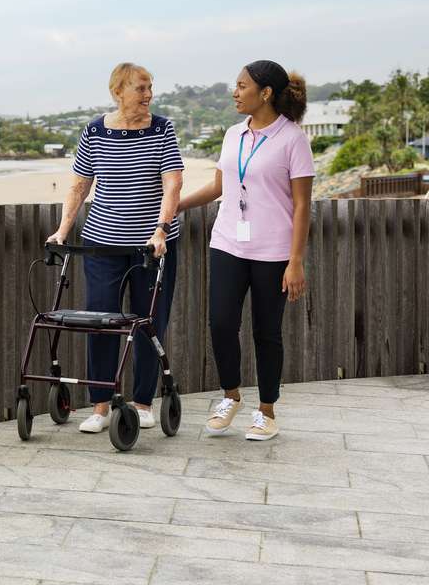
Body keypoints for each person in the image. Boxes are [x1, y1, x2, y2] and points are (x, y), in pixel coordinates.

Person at [178, 60, 314, 441]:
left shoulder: (292, 139)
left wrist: (296, 261)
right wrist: (178, 205)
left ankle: (266, 410)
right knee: (221, 323)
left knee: (266, 332)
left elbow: (303, 204)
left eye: (241, 86)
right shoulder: (233, 134)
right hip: (227, 243)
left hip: (273, 251)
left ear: (265, 92)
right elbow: (219, 187)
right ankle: (230, 396)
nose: (234, 93)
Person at [47, 62, 184, 433]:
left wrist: (161, 229)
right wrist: (63, 230)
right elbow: (79, 185)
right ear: (117, 91)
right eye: (141, 88)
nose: (148, 95)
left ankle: (142, 403)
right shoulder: (94, 130)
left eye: (150, 87)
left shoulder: (161, 128)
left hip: (151, 247)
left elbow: (172, 183)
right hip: (101, 243)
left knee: (147, 322)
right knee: (101, 322)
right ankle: (101, 406)